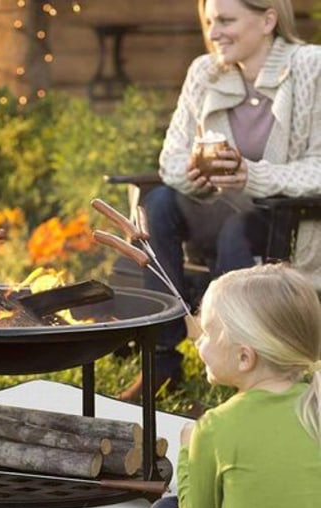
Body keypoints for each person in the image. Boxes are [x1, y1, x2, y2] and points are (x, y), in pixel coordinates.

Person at [119, 0, 321, 402]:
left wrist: (253, 175)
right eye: (210, 21)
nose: (213, 34)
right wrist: (195, 177)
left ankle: (238, 365)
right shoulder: (204, 71)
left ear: (268, 20)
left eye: (227, 21)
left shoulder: (310, 67)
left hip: (282, 224)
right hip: (213, 212)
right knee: (156, 204)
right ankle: (160, 355)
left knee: (238, 225)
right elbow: (172, 158)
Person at [144, 263, 321, 508]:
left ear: (244, 358)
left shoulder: (217, 426)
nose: (199, 339)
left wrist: (188, 447)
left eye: (209, 332)